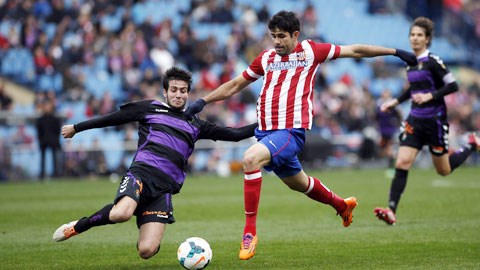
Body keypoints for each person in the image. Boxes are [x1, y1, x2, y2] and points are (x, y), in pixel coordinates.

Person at [185, 10, 418, 260]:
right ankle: (342, 205)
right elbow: (234, 85)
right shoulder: (266, 58)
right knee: (301, 184)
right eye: (273, 36)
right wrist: (203, 100)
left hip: (289, 132)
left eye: (282, 36)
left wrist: (395, 52)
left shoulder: (310, 52)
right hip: (266, 134)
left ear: (295, 35)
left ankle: (250, 232)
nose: (276, 41)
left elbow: (356, 50)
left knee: (251, 159)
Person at [52, 67, 257, 260]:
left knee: (147, 250)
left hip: (163, 189)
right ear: (165, 92)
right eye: (174, 90)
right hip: (141, 174)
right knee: (122, 213)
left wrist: (272, 123)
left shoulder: (196, 124)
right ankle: (80, 225)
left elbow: (236, 134)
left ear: (188, 94)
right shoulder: (150, 108)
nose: (178, 94)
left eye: (183, 91)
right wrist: (77, 127)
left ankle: (140, 210)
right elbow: (113, 119)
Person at [373, 17, 480, 226]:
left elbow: (453, 85)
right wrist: (393, 102)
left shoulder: (433, 61)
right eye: (412, 34)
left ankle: (471, 145)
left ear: (428, 38)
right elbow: (411, 91)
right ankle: (391, 210)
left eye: (419, 35)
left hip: (435, 122)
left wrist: (430, 96)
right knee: (402, 162)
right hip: (414, 120)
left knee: (443, 170)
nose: (415, 38)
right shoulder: (411, 64)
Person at [375, 89, 402, 177]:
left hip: (391, 129)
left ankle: (391, 168)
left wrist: (398, 124)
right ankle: (392, 165)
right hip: (382, 130)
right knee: (385, 149)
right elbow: (376, 117)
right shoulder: (379, 104)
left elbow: (399, 115)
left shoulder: (393, 104)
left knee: (390, 148)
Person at [36, 98, 63, 180]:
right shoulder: (40, 119)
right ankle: (42, 174)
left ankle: (56, 173)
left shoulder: (55, 119)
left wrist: (56, 140)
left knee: (55, 158)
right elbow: (39, 131)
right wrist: (40, 140)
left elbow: (58, 130)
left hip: (53, 140)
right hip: (44, 141)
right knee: (42, 158)